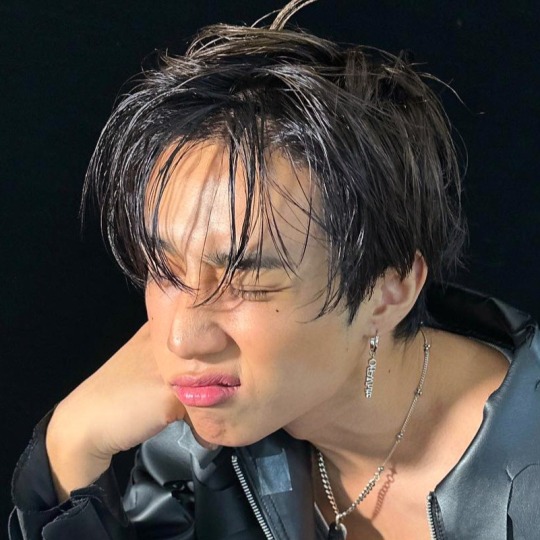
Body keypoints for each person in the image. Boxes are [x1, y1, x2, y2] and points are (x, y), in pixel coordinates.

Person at [9, 1, 540, 538]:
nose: (181, 338)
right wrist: (70, 449)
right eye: (163, 269)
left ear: (389, 291)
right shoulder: (196, 446)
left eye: (245, 281)